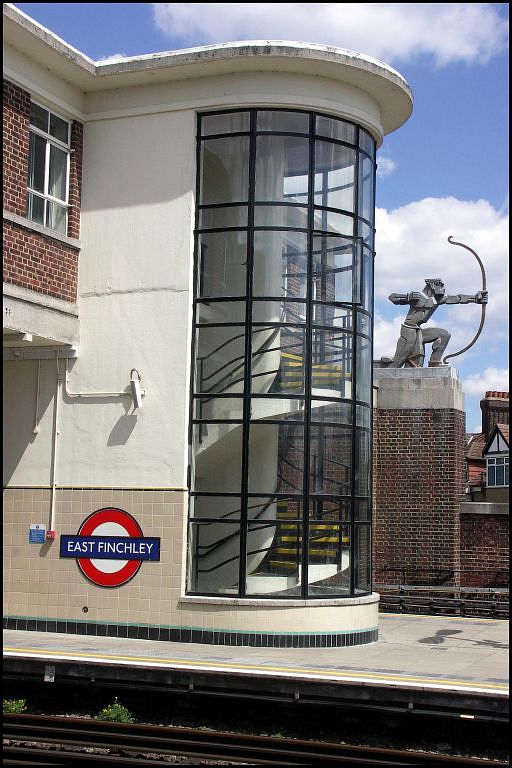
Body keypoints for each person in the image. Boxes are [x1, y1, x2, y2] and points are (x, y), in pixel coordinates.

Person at [381, 278, 488, 368]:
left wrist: (475, 298)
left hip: (418, 331)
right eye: (439, 286)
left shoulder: (437, 299)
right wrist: (408, 297)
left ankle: (434, 363)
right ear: (432, 286)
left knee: (444, 335)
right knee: (399, 362)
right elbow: (392, 297)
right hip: (408, 330)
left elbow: (457, 298)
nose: (442, 289)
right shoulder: (419, 296)